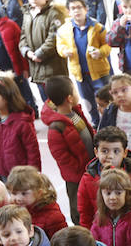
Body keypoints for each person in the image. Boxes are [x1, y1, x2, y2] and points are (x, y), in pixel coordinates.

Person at [40, 76, 95, 225]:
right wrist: (80, 170)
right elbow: (62, 157)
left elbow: (89, 134)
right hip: (76, 177)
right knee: (79, 208)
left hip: (89, 169)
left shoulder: (75, 113)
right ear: (69, 98)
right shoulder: (56, 127)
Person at [76, 126, 131, 229]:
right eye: (104, 151)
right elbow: (85, 214)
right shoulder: (87, 179)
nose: (110, 156)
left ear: (125, 153)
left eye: (116, 151)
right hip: (101, 233)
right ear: (96, 152)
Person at [57, 0, 112, 125]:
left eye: (79, 7)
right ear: (69, 12)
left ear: (86, 9)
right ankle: (95, 123)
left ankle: (109, 121)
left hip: (99, 73)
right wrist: (65, 51)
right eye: (73, 8)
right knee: (88, 101)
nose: (76, 10)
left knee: (105, 99)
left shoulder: (97, 27)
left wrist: (100, 52)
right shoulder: (63, 30)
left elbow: (108, 45)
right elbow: (60, 46)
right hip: (80, 75)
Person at [0, 73, 40, 179]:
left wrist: (33, 175)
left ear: (7, 97)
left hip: (22, 176)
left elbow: (32, 152)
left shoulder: (22, 122)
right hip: (2, 174)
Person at [19, 0, 69, 101]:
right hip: (36, 68)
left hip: (53, 68)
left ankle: (74, 121)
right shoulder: (27, 14)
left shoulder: (55, 14)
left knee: (62, 102)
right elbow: (23, 36)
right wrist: (27, 52)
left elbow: (55, 37)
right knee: (47, 105)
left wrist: (40, 53)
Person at [5, 167, 68, 239]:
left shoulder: (53, 217)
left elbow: (62, 243)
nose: (18, 198)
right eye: (14, 193)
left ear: (39, 193)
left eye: (24, 193)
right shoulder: (14, 209)